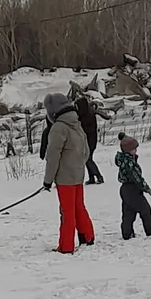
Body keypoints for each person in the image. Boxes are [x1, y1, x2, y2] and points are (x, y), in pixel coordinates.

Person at [43, 93, 95, 253]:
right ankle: (87, 236)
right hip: (78, 175)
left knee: (67, 212)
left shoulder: (59, 127)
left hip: (65, 178)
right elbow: (86, 151)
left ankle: (66, 246)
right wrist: (78, 166)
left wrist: (48, 180)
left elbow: (52, 156)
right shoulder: (76, 123)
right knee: (79, 206)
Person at [115, 132, 151, 240]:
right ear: (128, 150)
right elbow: (137, 178)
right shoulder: (129, 163)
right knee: (145, 209)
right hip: (132, 189)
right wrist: (146, 188)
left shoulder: (125, 160)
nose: (136, 151)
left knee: (128, 212)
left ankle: (127, 233)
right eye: (134, 149)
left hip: (125, 189)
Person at [75, 97, 104, 185]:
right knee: (88, 158)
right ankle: (92, 177)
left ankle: (99, 176)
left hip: (88, 141)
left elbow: (85, 129)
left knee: (88, 159)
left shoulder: (85, 116)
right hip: (91, 140)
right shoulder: (89, 114)